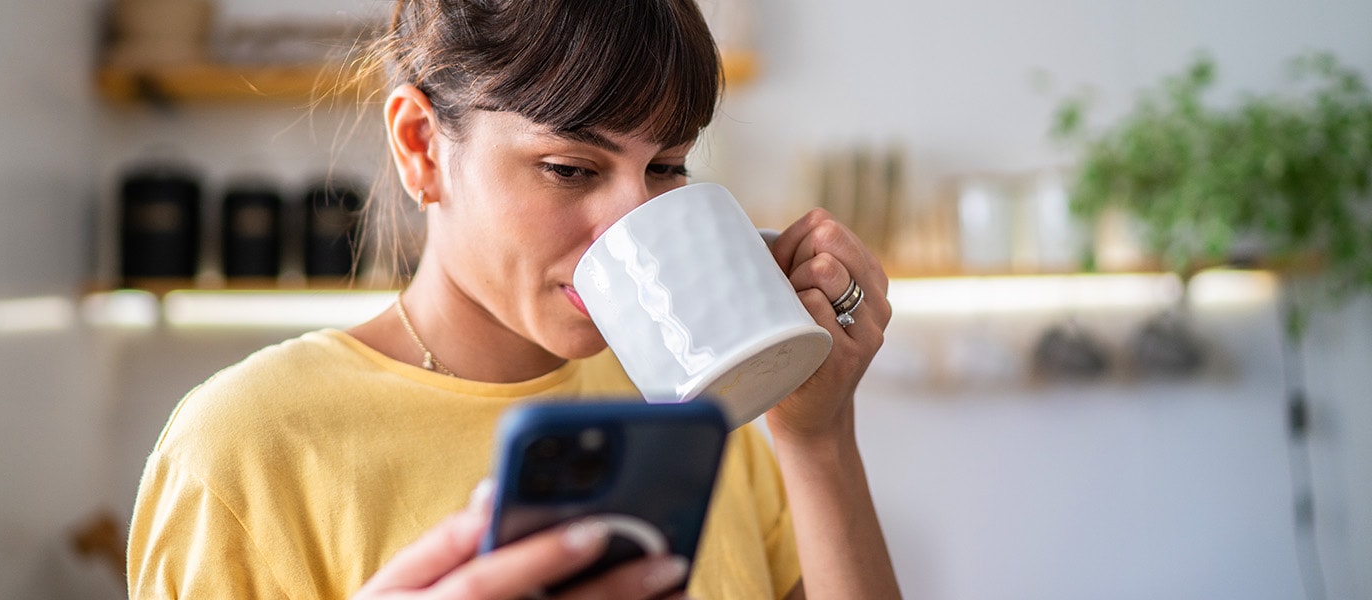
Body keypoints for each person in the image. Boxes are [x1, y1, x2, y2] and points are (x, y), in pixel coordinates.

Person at [126, 0, 902, 598]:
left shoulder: (693, 405)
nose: (635, 223)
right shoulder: (245, 449)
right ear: (421, 148)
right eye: (570, 168)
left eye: (667, 167)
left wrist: (818, 440)